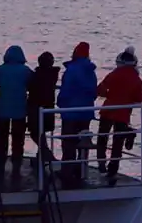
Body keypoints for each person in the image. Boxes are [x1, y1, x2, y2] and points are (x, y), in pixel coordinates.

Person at [96, 46, 142, 180]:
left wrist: (109, 95)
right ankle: (113, 169)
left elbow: (99, 90)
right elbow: (139, 99)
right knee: (117, 143)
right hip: (123, 114)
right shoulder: (137, 80)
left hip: (107, 110)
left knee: (102, 139)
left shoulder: (114, 74)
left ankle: (101, 166)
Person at [56, 42, 98, 188]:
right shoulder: (91, 72)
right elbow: (94, 92)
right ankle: (80, 170)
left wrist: (60, 102)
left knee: (68, 143)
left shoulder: (71, 70)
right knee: (83, 143)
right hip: (86, 112)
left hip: (70, 112)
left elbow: (66, 90)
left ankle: (67, 170)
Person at [0, 45, 33, 176]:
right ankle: (16, 165)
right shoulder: (26, 71)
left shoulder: (1, 69)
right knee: (18, 139)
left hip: (2, 109)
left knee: (1, 139)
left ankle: (0, 165)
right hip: (19, 109)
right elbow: (31, 83)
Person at [27, 51, 60, 164]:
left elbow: (31, 87)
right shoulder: (53, 75)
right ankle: (42, 155)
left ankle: (46, 153)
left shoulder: (37, 75)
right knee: (41, 132)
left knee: (35, 132)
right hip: (48, 106)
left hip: (36, 106)